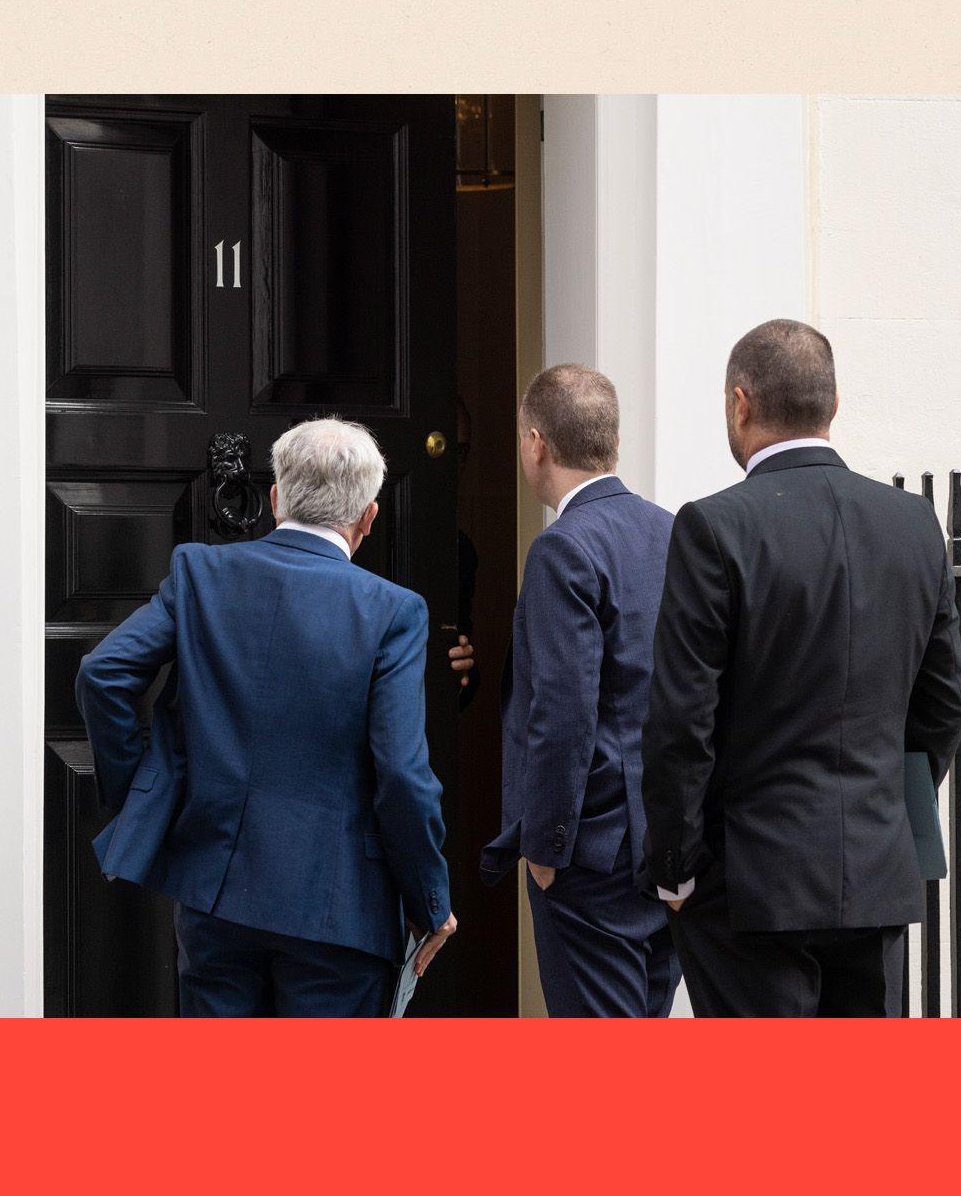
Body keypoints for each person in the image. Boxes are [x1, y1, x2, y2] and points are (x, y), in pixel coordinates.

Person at [76, 417, 456, 1017]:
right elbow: (403, 776)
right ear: (368, 517)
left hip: (216, 893)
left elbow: (103, 674)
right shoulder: (392, 611)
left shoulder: (201, 573)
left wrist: (146, 795)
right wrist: (431, 901)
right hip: (339, 912)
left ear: (276, 498)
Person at [643, 320, 961, 1017]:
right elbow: (942, 708)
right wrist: (880, 804)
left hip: (748, 881)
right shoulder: (914, 523)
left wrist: (674, 867)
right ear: (834, 405)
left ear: (740, 403)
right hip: (876, 872)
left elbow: (681, 720)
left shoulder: (713, 527)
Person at [480, 364, 680, 1017]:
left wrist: (545, 846)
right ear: (612, 442)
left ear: (536, 442)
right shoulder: (673, 530)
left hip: (592, 857)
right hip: (667, 845)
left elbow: (562, 712)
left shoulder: (563, 547)